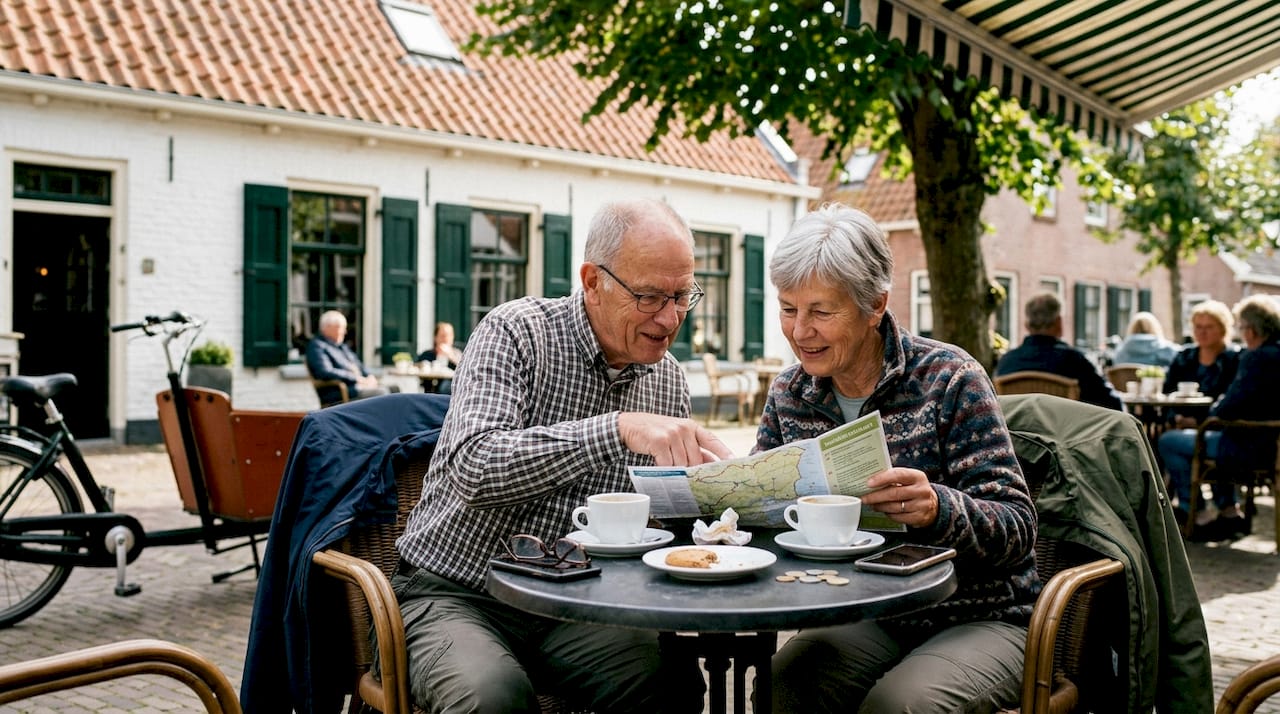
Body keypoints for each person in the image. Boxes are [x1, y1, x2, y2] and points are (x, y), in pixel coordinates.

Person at [392, 198, 731, 713]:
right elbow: (474, 466)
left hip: (579, 605)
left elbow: (668, 524)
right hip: (457, 592)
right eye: (649, 297)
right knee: (491, 698)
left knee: (675, 686)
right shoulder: (516, 332)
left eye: (683, 295)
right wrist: (616, 429)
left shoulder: (669, 380)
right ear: (593, 281)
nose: (670, 318)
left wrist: (723, 491)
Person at [759, 204, 1039, 713]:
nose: (800, 332)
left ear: (875, 306)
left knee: (899, 706)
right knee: (782, 687)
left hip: (979, 615)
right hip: (868, 613)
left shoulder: (951, 379)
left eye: (821, 312)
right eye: (787, 308)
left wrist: (938, 508)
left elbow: (1018, 527)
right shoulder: (789, 393)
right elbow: (763, 513)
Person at [1158, 295, 1280, 540]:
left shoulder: (1253, 358)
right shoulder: (1274, 353)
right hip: (1269, 442)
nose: (1242, 333)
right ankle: (1225, 512)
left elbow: (1230, 404)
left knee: (1168, 441)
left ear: (1254, 330)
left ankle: (1194, 512)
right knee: (1199, 438)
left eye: (1243, 328)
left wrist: (1207, 418)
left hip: (1246, 444)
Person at [995, 292, 1123, 409]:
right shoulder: (1075, 361)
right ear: (1059, 322)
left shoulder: (1006, 362)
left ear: (1027, 325)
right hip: (1067, 433)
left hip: (1018, 433)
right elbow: (1111, 402)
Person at [1160, 300, 1240, 430]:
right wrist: (1174, 418)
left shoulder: (1233, 359)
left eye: (1209, 327)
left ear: (1223, 329)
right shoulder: (1184, 356)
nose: (1202, 332)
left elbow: (1231, 401)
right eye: (1198, 327)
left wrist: (1199, 421)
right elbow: (1167, 391)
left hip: (1215, 426)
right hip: (1179, 423)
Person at [304, 310, 396, 403]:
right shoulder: (317, 346)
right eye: (341, 328)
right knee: (381, 393)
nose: (345, 332)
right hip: (340, 391)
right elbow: (325, 372)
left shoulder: (341, 346)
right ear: (328, 327)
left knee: (394, 390)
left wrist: (369, 376)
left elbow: (358, 365)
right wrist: (356, 379)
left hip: (358, 386)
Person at [1112, 311, 1181, 366]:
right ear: (1155, 328)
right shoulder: (1165, 348)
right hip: (1156, 383)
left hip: (1125, 383)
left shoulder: (1120, 352)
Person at [416, 321, 463, 393]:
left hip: (448, 386)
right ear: (436, 337)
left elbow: (463, 370)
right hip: (430, 384)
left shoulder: (457, 354)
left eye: (449, 335)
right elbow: (417, 365)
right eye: (443, 335)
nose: (446, 339)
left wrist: (451, 356)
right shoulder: (427, 354)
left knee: (444, 387)